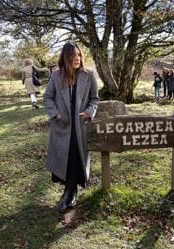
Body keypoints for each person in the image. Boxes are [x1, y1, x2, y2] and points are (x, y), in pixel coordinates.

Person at [44, 42, 99, 213]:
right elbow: (47, 97)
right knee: (65, 159)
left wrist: (89, 112)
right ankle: (69, 192)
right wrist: (56, 114)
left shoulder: (88, 75)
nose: (77, 58)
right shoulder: (56, 76)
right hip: (62, 127)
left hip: (80, 127)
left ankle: (70, 193)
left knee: (76, 158)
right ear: (66, 57)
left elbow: (94, 99)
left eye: (79, 55)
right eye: (73, 55)